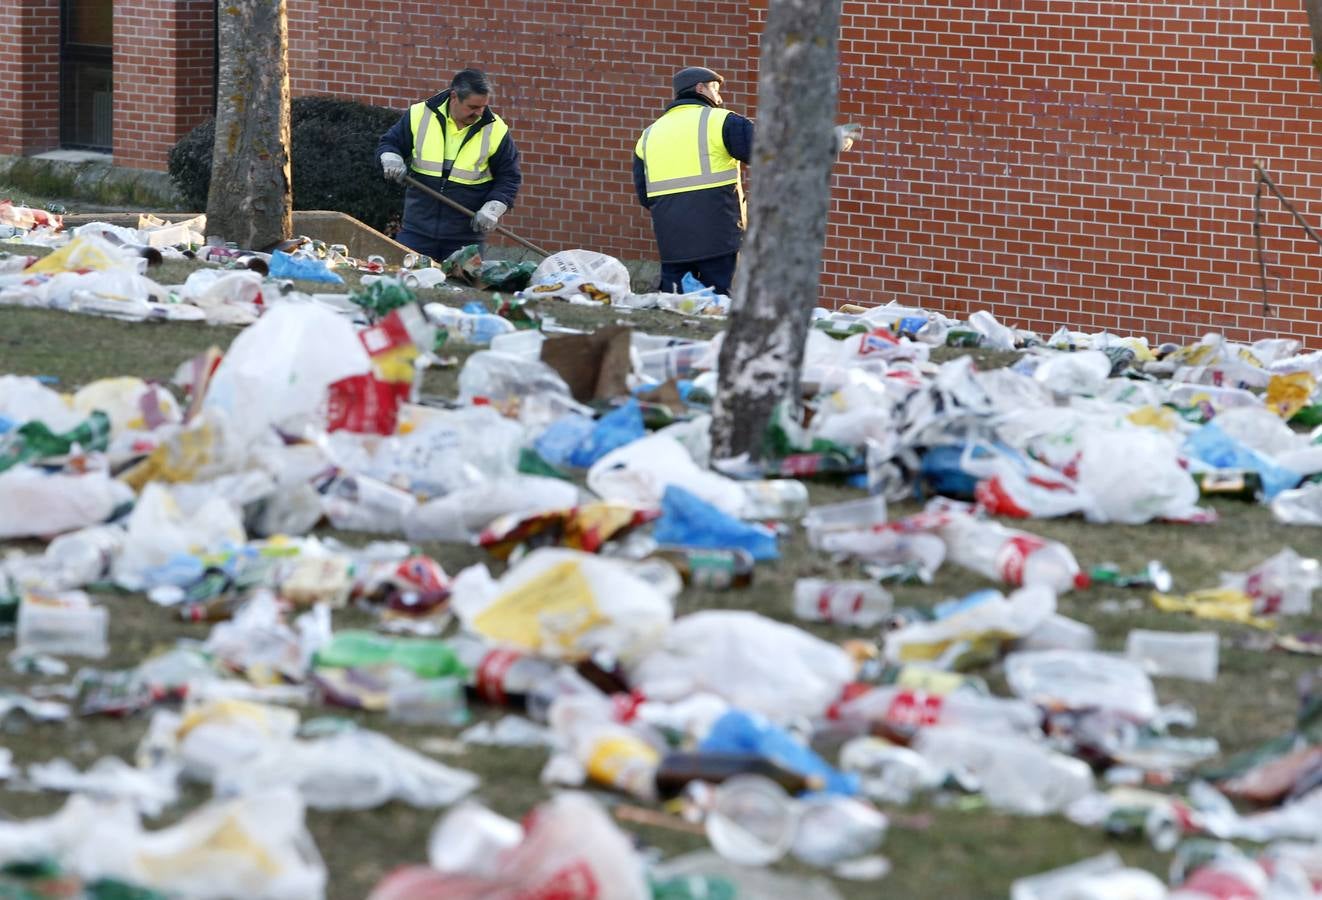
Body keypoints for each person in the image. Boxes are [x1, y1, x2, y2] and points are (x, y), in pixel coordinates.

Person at [633, 65, 862, 297]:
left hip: (672, 241)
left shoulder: (649, 135)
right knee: (721, 305)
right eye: (715, 89)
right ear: (700, 88)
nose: (719, 96)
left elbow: (645, 196)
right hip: (718, 238)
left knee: (675, 304)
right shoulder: (720, 122)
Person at [377, 68, 522, 262]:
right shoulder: (420, 115)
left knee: (463, 292)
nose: (479, 113)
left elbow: (509, 177)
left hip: (465, 237)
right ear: (454, 96)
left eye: (483, 107)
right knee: (408, 285)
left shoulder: (495, 130)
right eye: (472, 107)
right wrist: (391, 159)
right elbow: (390, 143)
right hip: (417, 231)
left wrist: (493, 208)